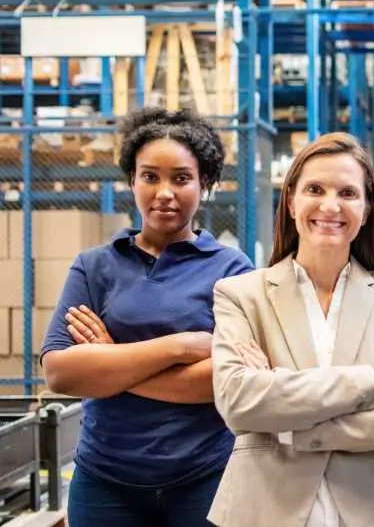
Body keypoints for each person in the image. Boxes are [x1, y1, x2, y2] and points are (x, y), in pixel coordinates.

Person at [207, 133, 374, 527]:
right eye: (315, 189)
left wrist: (284, 404)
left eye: (348, 193)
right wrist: (366, 384)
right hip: (264, 510)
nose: (330, 205)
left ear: (366, 210)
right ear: (292, 201)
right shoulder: (241, 295)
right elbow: (238, 403)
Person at [39, 107, 255, 526]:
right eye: (150, 176)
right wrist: (181, 346)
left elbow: (224, 379)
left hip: (205, 478)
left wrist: (111, 361)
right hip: (105, 482)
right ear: (131, 180)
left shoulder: (232, 269)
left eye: (181, 178)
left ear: (205, 184)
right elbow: (60, 372)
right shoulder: (94, 266)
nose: (164, 192)